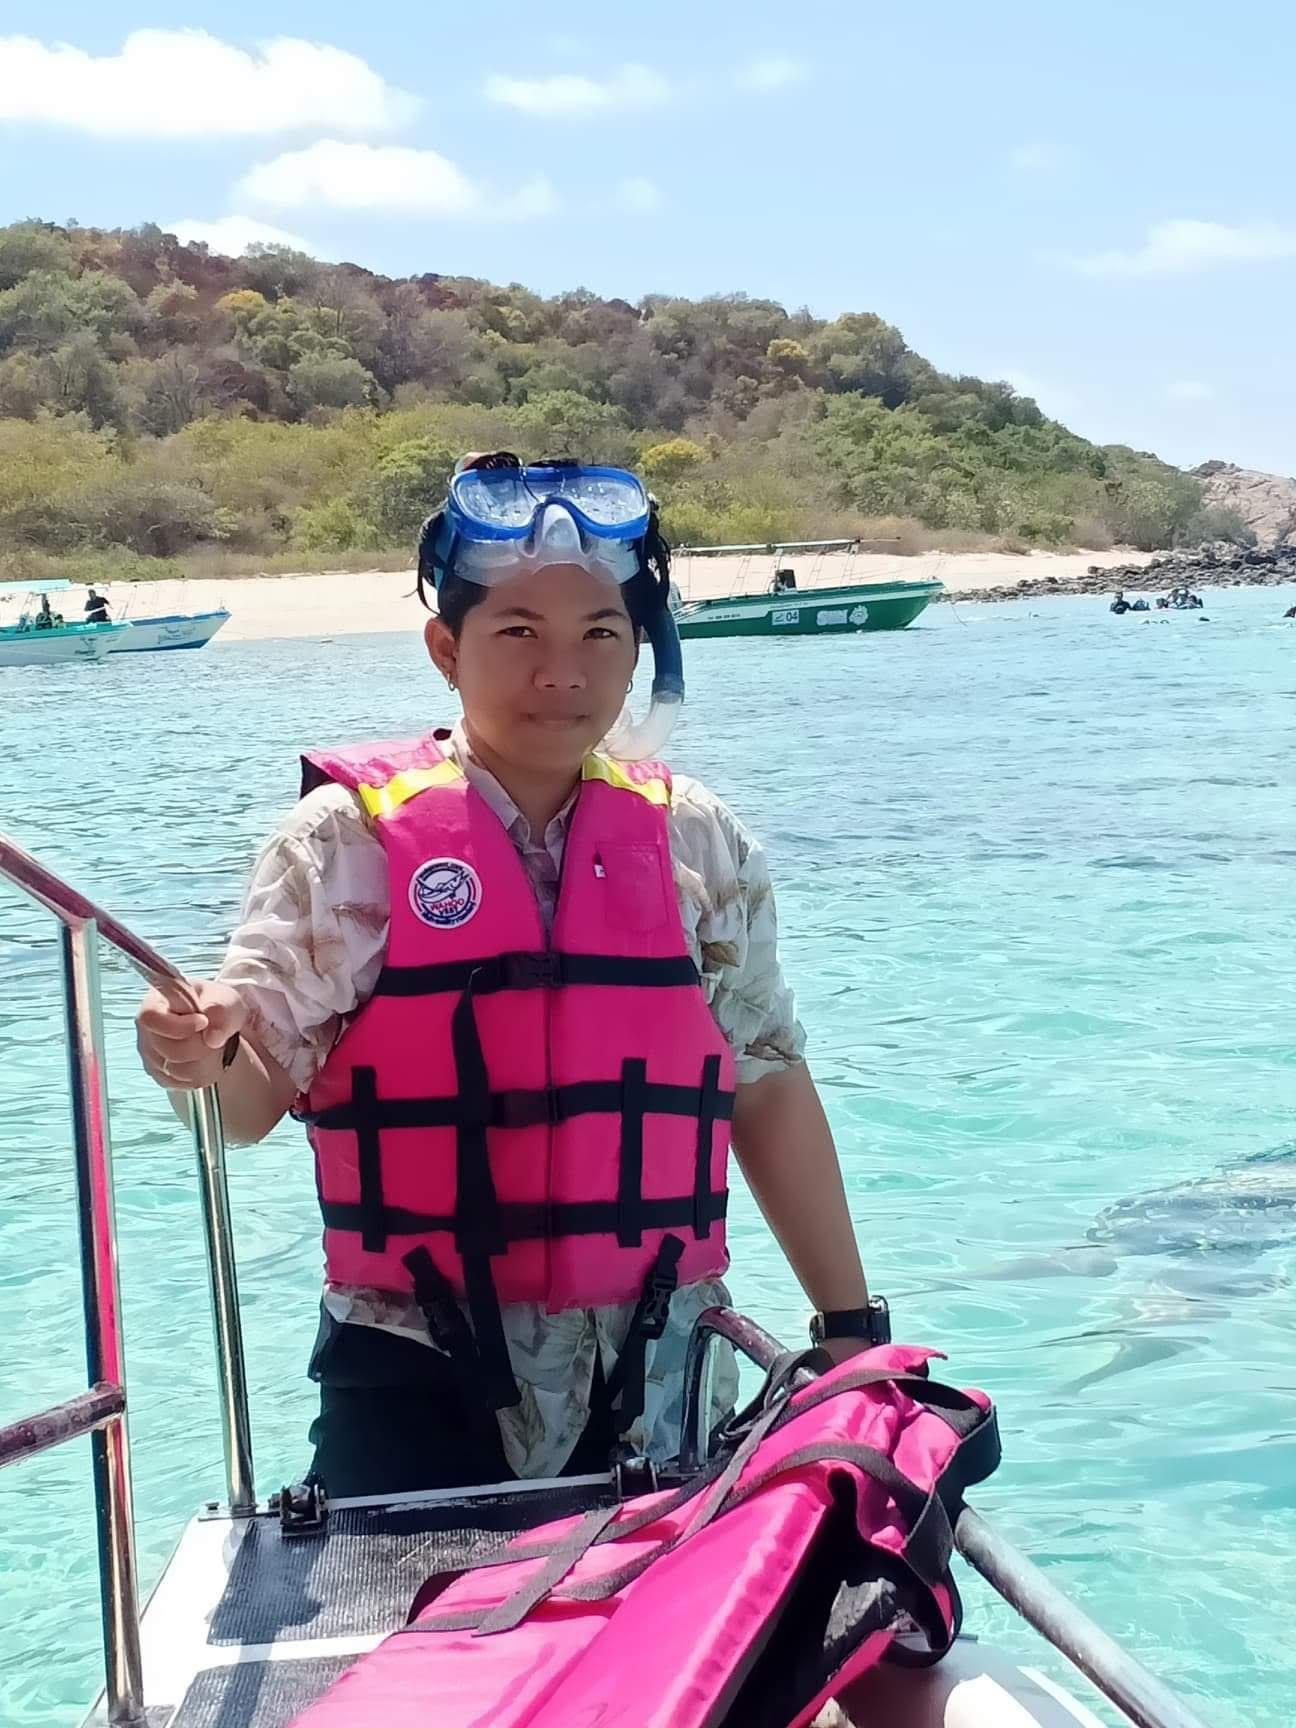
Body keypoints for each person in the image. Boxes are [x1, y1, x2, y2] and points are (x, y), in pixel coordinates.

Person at [135, 454, 879, 1498]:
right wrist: (195, 1054)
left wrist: (849, 1328)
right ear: (448, 648)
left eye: (599, 635)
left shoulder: (698, 840)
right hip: (414, 1369)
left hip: (662, 1374)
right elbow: (246, 1104)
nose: (562, 673)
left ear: (638, 652)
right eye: (520, 633)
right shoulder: (345, 842)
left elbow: (765, 1081)